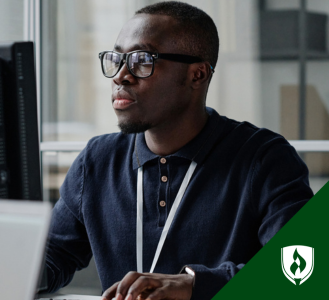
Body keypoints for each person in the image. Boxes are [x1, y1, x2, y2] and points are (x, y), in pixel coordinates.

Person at [43, 2, 313, 300]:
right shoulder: (97, 160)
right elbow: (53, 256)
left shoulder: (265, 158)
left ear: (197, 75)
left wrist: (194, 285)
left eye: (142, 60)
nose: (121, 75)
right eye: (117, 59)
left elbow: (301, 273)